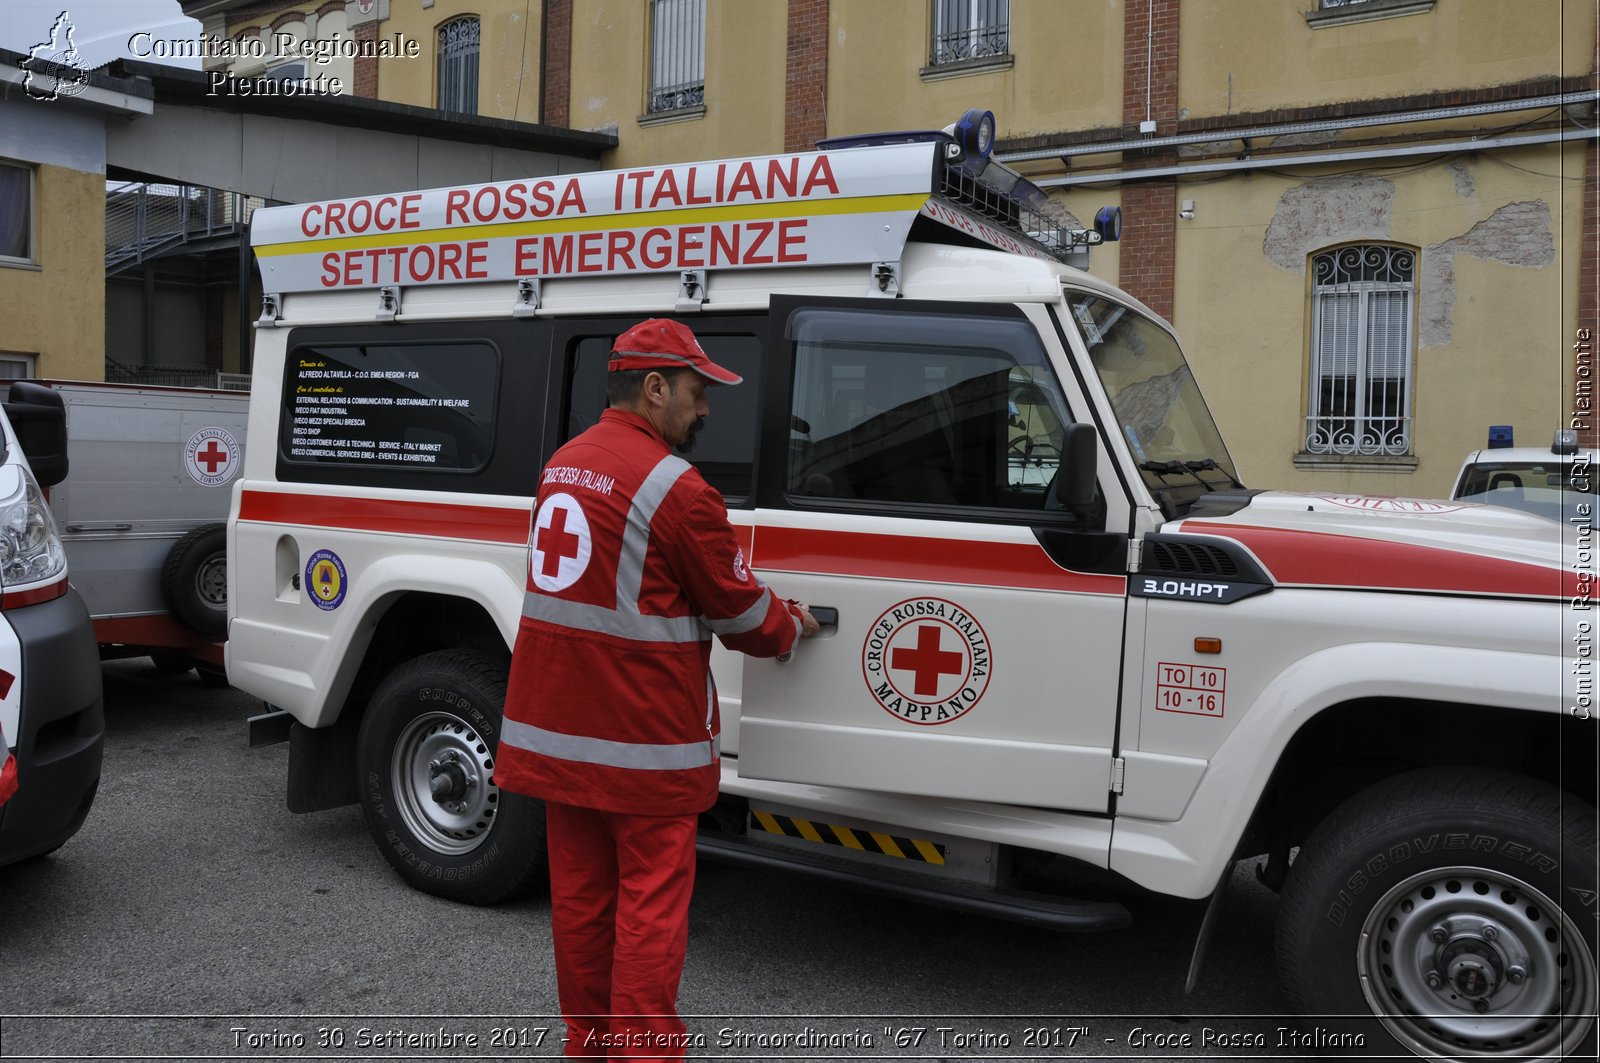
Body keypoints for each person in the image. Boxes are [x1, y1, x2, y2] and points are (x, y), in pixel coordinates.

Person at [495, 318, 819, 1060]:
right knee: (648, 909)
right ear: (653, 387)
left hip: (555, 736)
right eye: (697, 393)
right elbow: (743, 617)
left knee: (580, 902)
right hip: (642, 745)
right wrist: (791, 625)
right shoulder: (678, 488)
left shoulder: (564, 463)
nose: (705, 410)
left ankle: (590, 1046)